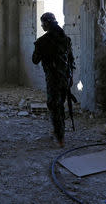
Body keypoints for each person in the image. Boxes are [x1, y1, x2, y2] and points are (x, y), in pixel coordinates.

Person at [32, 12, 75, 147]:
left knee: (54, 105)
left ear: (46, 24)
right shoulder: (65, 39)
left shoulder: (42, 41)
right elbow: (71, 60)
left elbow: (35, 60)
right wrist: (70, 77)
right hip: (66, 78)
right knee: (60, 104)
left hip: (53, 79)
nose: (42, 26)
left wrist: (39, 49)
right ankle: (59, 131)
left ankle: (60, 136)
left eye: (42, 24)